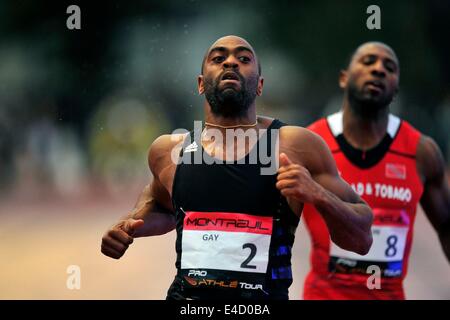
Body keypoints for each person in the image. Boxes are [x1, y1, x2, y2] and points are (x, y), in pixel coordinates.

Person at [101, 35, 373, 300]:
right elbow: (162, 206)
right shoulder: (170, 151)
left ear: (260, 86)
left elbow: (361, 240)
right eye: (218, 58)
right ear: (200, 84)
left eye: (243, 59)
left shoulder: (295, 146)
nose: (230, 63)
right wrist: (128, 227)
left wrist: (317, 194)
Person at [302, 42, 450, 300]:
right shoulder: (311, 144)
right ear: (344, 78)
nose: (379, 69)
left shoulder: (422, 153)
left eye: (389, 67)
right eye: (368, 61)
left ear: (396, 87)